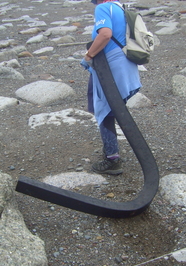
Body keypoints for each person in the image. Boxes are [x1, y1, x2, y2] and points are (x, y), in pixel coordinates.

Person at [81, 0, 141, 175]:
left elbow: (105, 34)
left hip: (110, 67)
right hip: (125, 64)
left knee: (104, 110)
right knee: (112, 110)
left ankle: (112, 159)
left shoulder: (102, 8)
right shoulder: (119, 8)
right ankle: (111, 150)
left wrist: (88, 55)